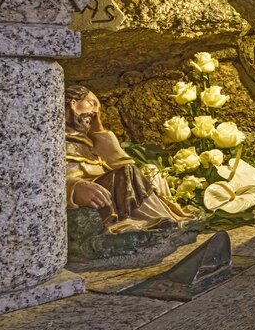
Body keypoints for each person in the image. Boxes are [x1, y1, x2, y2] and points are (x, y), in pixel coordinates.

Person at [65, 85, 194, 234]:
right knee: (127, 172)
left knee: (151, 171)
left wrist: (99, 130)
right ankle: (156, 220)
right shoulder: (52, 139)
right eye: (92, 103)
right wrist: (74, 188)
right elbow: (46, 183)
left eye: (98, 110)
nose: (95, 112)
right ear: (73, 103)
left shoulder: (90, 142)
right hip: (98, 195)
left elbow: (120, 163)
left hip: (112, 188)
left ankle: (164, 218)